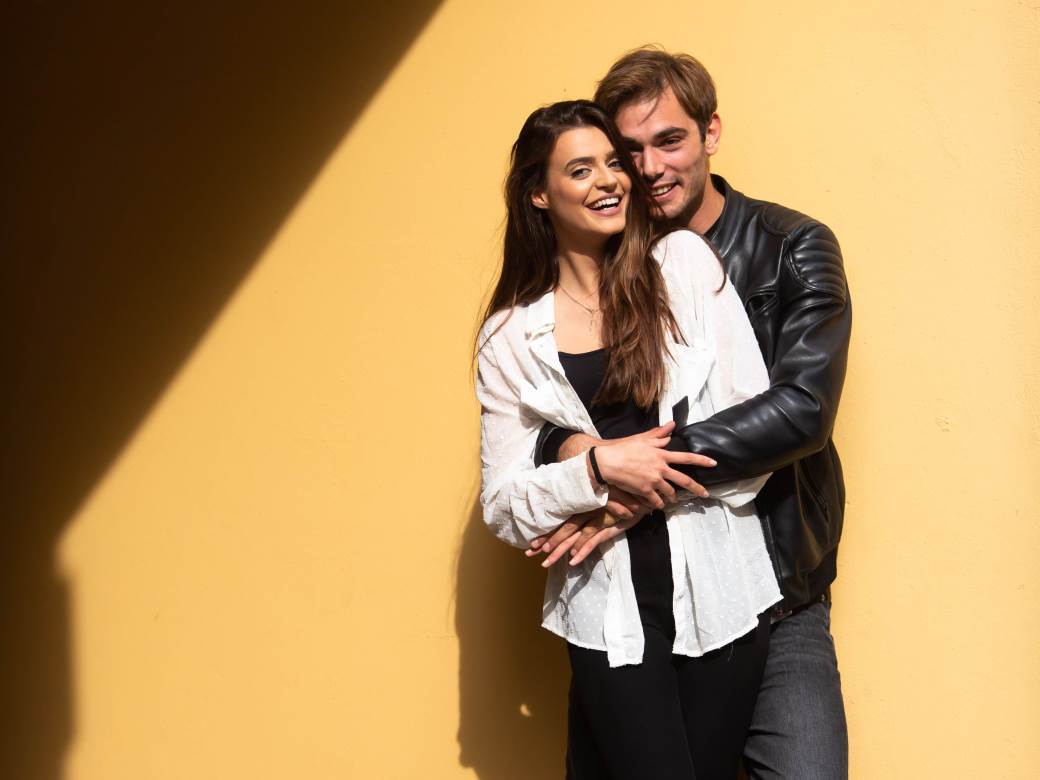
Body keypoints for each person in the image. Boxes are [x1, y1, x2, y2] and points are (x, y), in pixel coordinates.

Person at [529, 48, 852, 779]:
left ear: (711, 133)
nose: (648, 169)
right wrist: (570, 450)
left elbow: (802, 409)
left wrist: (635, 477)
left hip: (779, 588)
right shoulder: (601, 261)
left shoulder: (790, 248)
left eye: (669, 140)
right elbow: (548, 399)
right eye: (629, 151)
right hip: (637, 593)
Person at [476, 99, 784, 779]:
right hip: (604, 607)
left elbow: (752, 427)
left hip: (720, 588)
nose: (609, 180)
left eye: (613, 163)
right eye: (580, 169)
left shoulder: (682, 265)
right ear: (538, 194)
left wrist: (632, 493)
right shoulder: (509, 336)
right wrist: (594, 469)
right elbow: (501, 506)